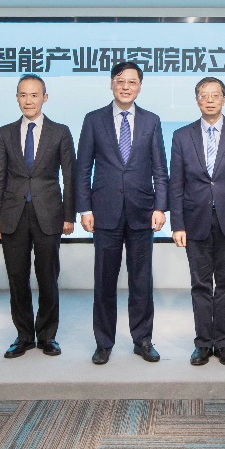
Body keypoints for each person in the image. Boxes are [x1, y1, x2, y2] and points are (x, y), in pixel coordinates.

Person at [75, 61, 168, 366]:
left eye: (132, 82)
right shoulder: (93, 119)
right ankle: (104, 342)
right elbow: (83, 168)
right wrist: (85, 208)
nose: (126, 86)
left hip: (142, 212)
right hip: (105, 212)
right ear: (111, 84)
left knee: (141, 282)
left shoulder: (152, 121)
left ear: (140, 86)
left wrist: (160, 207)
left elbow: (160, 169)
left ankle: (143, 340)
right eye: (120, 80)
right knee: (104, 281)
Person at [169, 77, 225, 367]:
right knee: (200, 284)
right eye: (204, 95)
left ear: (224, 99)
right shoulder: (182, 136)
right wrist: (177, 224)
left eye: (215, 95)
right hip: (194, 220)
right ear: (197, 100)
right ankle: (202, 344)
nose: (210, 100)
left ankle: (223, 343)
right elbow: (176, 184)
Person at [0, 74, 76, 359]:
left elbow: (70, 176)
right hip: (13, 214)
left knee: (48, 276)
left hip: (49, 214)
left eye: (34, 95)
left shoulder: (60, 131)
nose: (28, 100)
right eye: (23, 95)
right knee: (17, 277)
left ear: (45, 98)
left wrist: (69, 215)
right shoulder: (4, 132)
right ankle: (24, 336)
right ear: (17, 98)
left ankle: (48, 336)